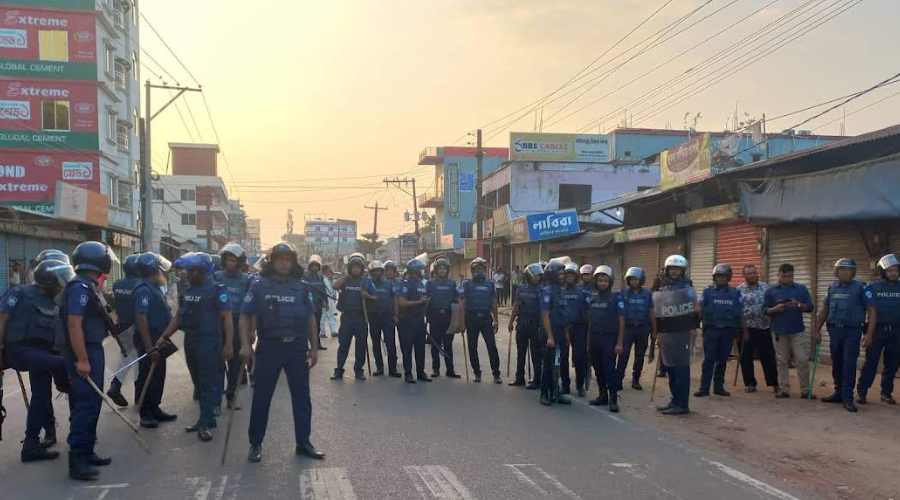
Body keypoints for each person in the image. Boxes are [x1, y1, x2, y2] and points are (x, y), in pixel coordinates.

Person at [240, 242, 323, 463]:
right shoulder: (259, 285)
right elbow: (244, 314)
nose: (284, 263)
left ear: (293, 262)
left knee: (302, 397)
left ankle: (303, 443)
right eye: (280, 259)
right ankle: (255, 444)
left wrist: (314, 348)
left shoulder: (302, 287)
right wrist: (245, 344)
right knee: (262, 397)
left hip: (296, 348)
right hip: (269, 347)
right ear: (273, 261)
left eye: (288, 259)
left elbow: (311, 318)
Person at [0, 258, 72, 462]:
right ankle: (64, 384)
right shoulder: (19, 293)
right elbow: (2, 318)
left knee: (40, 397)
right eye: (59, 281)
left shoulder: (54, 301)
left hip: (42, 353)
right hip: (19, 350)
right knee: (61, 366)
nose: (61, 285)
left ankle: (31, 446)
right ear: (49, 281)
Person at [156, 252, 233, 441]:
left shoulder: (217, 290)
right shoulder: (188, 291)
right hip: (191, 340)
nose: (187, 275)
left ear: (202, 271)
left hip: (209, 341)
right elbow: (179, 317)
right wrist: (164, 336)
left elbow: (227, 318)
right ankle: (205, 419)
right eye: (187, 271)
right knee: (198, 383)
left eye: (191, 271)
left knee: (207, 383)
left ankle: (206, 423)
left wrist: (229, 345)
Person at [61, 241, 116, 480]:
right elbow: (74, 324)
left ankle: (87, 451)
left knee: (94, 403)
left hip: (93, 349)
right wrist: (82, 359)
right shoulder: (79, 288)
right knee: (85, 405)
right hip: (84, 352)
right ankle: (77, 460)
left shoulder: (89, 286)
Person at [815, 258, 875, 413]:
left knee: (849, 363)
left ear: (853, 272)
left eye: (848, 270)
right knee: (836, 363)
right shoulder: (832, 287)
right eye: (841, 269)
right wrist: (816, 330)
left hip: (852, 331)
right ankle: (838, 393)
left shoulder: (861, 288)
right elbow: (824, 310)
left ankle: (848, 397)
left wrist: (869, 334)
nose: (844, 272)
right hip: (835, 331)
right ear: (836, 272)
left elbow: (872, 311)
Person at [133, 252, 176, 428]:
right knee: (146, 375)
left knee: (158, 375)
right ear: (153, 270)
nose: (162, 273)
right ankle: (145, 413)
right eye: (159, 270)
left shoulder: (154, 287)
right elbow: (141, 317)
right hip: (148, 339)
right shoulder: (143, 289)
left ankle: (154, 408)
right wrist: (149, 347)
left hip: (158, 338)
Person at [654, 255, 698, 416]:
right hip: (667, 331)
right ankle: (674, 400)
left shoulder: (687, 287)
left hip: (682, 331)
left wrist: (694, 327)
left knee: (681, 368)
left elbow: (695, 308)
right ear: (667, 270)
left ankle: (683, 403)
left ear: (683, 271)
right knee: (670, 367)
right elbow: (658, 308)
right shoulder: (662, 286)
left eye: (677, 269)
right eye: (671, 269)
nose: (674, 272)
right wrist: (658, 331)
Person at [764, 263, 815, 399]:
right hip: (779, 331)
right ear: (778, 275)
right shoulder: (771, 291)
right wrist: (775, 309)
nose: (787, 278)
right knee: (782, 361)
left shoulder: (801, 289)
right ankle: (784, 389)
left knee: (802, 359)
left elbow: (810, 307)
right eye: (784, 276)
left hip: (797, 330)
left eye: (790, 276)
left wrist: (799, 305)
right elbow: (764, 310)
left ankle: (805, 390)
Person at [696, 264, 744, 398]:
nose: (721, 279)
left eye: (723, 276)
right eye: (718, 276)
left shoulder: (735, 293)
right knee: (708, 360)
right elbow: (699, 309)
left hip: (728, 331)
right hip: (711, 331)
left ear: (728, 278)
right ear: (714, 278)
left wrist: (742, 332)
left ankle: (718, 387)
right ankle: (704, 388)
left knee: (722, 360)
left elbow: (739, 313)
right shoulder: (707, 292)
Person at [858, 254, 900, 405]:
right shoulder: (873, 287)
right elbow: (866, 309)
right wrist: (867, 333)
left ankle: (886, 393)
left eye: (896, 270)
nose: (893, 273)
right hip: (877, 330)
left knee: (892, 364)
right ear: (883, 272)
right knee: (871, 362)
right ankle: (862, 392)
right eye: (890, 270)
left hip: (896, 331)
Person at [215, 243, 252, 410]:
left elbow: (251, 308)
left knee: (236, 364)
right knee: (217, 363)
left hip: (238, 323)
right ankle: (214, 399)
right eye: (228, 260)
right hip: (218, 323)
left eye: (234, 260)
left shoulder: (246, 280)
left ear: (240, 262)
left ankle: (231, 396)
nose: (231, 263)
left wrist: (251, 330)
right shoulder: (216, 277)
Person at [331, 253, 375, 381]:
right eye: (353, 267)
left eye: (358, 267)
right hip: (347, 318)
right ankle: (339, 370)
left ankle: (359, 370)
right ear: (350, 267)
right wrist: (346, 276)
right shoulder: (345, 280)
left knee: (361, 345)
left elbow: (375, 297)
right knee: (343, 345)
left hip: (361, 318)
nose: (356, 269)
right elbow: (335, 286)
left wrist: (367, 295)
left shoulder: (366, 281)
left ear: (362, 268)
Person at [587, 265, 624, 412]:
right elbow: (590, 320)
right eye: (600, 280)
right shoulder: (593, 298)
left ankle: (613, 398)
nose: (602, 283)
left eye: (605, 280)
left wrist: (620, 342)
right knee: (598, 369)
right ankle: (603, 396)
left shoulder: (616, 297)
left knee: (609, 369)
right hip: (595, 337)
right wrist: (588, 342)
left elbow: (621, 320)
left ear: (610, 282)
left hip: (609, 339)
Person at [737, 264, 778, 393]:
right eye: (749, 273)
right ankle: (750, 383)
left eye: (754, 273)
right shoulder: (738, 290)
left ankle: (774, 383)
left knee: (768, 357)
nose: (752, 275)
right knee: (746, 357)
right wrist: (742, 330)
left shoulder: (766, 288)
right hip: (746, 329)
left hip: (764, 327)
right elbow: (737, 311)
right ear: (744, 275)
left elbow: (773, 306)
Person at [106, 254, 141, 407]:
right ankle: (136, 394)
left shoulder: (118, 284)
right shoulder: (140, 285)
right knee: (138, 360)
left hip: (121, 326)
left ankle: (117, 386)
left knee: (127, 358)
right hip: (135, 326)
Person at [461, 257, 501, 384]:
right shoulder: (466, 284)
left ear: (485, 270)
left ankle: (496, 374)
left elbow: (494, 303)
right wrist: (461, 322)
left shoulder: (490, 284)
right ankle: (477, 373)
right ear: (472, 271)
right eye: (477, 269)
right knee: (472, 347)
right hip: (471, 319)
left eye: (481, 269)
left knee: (491, 347)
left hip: (485, 319)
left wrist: (496, 320)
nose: (479, 271)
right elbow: (462, 303)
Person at [539, 257, 571, 406]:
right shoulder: (547, 291)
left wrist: (565, 334)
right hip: (549, 333)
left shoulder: (562, 291)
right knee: (548, 364)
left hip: (560, 333)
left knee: (558, 363)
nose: (562, 276)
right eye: (560, 274)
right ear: (552, 275)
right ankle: (544, 393)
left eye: (563, 274)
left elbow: (563, 314)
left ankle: (556, 392)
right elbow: (545, 315)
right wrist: (550, 336)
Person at [617, 267, 655, 391]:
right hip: (628, 329)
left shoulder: (647, 294)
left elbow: (651, 311)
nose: (634, 282)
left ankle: (636, 380)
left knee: (639, 356)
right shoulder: (623, 293)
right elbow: (619, 312)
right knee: (623, 355)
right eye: (631, 279)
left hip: (642, 329)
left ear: (641, 280)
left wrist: (655, 330)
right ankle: (619, 379)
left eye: (636, 279)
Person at [508, 263, 545, 389]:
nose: (538, 278)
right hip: (522, 324)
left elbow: (544, 311)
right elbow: (516, 306)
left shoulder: (542, 290)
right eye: (536, 276)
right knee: (521, 353)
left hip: (536, 325)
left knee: (536, 354)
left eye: (540, 276)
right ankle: (519, 378)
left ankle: (537, 380)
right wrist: (511, 321)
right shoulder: (521, 288)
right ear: (529, 275)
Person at [396, 257, 430, 383]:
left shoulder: (422, 284)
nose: (421, 273)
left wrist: (426, 303)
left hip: (420, 321)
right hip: (406, 321)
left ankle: (421, 373)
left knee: (420, 349)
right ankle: (408, 373)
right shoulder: (404, 284)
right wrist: (419, 302)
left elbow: (426, 300)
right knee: (407, 349)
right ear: (413, 271)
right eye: (419, 270)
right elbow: (402, 303)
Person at [426, 258, 460, 378]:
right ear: (436, 270)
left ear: (447, 270)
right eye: (440, 268)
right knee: (435, 345)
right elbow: (426, 301)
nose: (442, 270)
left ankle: (450, 370)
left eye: (444, 268)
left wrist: (459, 319)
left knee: (448, 345)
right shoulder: (430, 283)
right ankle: (436, 369)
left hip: (448, 317)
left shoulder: (452, 284)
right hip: (434, 317)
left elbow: (456, 300)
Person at [366, 260, 399, 377]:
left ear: (382, 271)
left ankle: (393, 369)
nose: (377, 273)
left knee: (390, 343)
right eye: (374, 271)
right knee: (376, 344)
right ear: (370, 272)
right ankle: (379, 368)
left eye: (379, 271)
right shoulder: (367, 284)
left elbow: (395, 299)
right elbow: (362, 296)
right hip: (373, 317)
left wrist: (396, 315)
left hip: (387, 317)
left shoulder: (389, 284)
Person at [560, 262, 588, 396]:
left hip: (579, 328)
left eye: (572, 275)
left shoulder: (582, 292)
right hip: (563, 328)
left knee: (579, 358)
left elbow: (587, 311)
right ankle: (565, 385)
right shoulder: (560, 291)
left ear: (576, 276)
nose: (569, 277)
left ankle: (580, 385)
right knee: (563, 358)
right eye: (567, 275)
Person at [304, 255, 328, 351]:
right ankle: (305, 346)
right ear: (310, 266)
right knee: (307, 326)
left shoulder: (320, 277)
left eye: (316, 266)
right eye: (313, 265)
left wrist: (325, 301)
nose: (315, 267)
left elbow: (323, 290)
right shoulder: (305, 276)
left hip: (318, 305)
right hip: (308, 306)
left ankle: (317, 344)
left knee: (317, 326)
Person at [320, 265, 338, 339]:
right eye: (329, 270)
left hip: (331, 300)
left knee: (331, 316)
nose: (330, 272)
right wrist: (323, 301)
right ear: (325, 271)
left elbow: (334, 290)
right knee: (323, 317)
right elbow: (322, 291)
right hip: (325, 299)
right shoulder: (322, 279)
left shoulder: (330, 279)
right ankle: (322, 332)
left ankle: (334, 331)